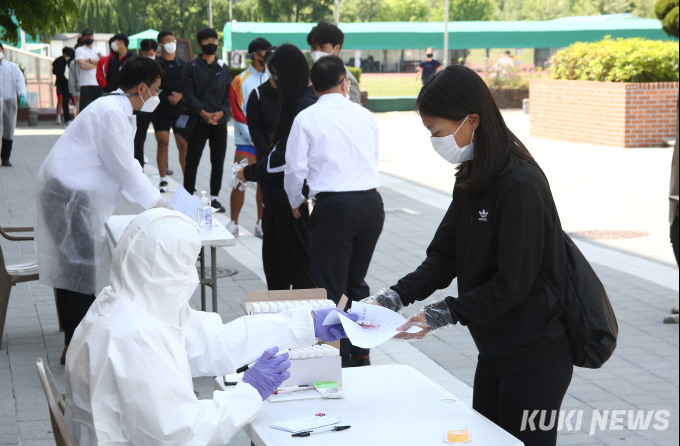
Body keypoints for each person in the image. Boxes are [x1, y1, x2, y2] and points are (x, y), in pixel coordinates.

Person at [362, 65, 573, 446]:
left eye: (437, 132)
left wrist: (444, 313)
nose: (435, 141)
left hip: (534, 357)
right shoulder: (474, 176)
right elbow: (445, 256)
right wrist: (392, 297)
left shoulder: (519, 184)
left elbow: (513, 284)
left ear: (471, 120)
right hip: (494, 352)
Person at [64, 208, 357, 445]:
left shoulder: (126, 303)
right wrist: (249, 393)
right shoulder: (134, 336)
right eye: (187, 265)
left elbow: (219, 341)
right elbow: (182, 435)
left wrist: (307, 324)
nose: (193, 275)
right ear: (164, 270)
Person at [35, 57, 170, 365]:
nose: (158, 96)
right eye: (157, 90)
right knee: (79, 272)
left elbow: (128, 163)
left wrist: (157, 197)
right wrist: (161, 204)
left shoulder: (116, 109)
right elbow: (124, 168)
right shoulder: (111, 113)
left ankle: (75, 343)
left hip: (68, 194)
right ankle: (83, 350)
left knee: (74, 272)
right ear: (142, 88)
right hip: (66, 198)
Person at [284, 55, 383, 368]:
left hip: (335, 207)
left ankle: (335, 358)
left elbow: (294, 169)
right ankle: (361, 353)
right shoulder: (365, 115)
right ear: (345, 83)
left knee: (329, 289)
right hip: (371, 204)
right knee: (357, 283)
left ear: (314, 88)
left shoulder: (306, 118)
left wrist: (294, 201)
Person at [236, 44, 317, 291]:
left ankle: (308, 326)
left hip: (291, 204)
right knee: (275, 269)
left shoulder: (303, 105)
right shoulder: (295, 101)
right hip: (276, 201)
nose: (273, 81)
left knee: (300, 274)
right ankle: (281, 324)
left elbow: (282, 159)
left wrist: (247, 172)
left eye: (275, 75)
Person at [182, 28, 232, 211]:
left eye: (214, 39)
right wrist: (202, 112)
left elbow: (228, 93)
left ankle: (214, 198)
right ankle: (187, 196)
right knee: (192, 160)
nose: (211, 43)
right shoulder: (192, 66)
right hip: (198, 121)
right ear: (199, 45)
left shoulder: (223, 68)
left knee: (218, 161)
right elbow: (187, 92)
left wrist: (222, 112)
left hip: (219, 122)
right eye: (206, 40)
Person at [227, 37, 271, 237]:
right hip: (246, 142)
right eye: (264, 52)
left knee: (265, 183)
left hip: (267, 143)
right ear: (254, 55)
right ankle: (234, 223)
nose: (267, 56)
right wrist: (256, 139)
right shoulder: (240, 80)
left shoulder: (273, 78)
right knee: (239, 181)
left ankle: (261, 223)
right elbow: (237, 114)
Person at [152, 30, 188, 191]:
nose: (171, 43)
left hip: (181, 110)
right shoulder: (156, 65)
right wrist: (167, 97)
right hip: (161, 110)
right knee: (162, 144)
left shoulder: (183, 64)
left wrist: (180, 96)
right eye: (167, 40)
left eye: (173, 40)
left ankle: (188, 181)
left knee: (184, 146)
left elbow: (189, 87)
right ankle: (163, 179)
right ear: (160, 44)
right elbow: (152, 88)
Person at [307, 19, 361, 104]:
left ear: (337, 48)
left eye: (322, 47)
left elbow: (354, 110)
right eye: (313, 47)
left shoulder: (347, 79)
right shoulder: (312, 75)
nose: (317, 52)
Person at [132, 39, 162, 168]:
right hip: (142, 106)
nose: (150, 57)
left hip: (159, 107)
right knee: (139, 139)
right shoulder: (136, 65)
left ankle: (164, 168)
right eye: (147, 54)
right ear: (142, 52)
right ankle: (139, 167)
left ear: (156, 51)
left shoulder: (161, 64)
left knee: (162, 140)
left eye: (152, 54)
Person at [0, 43, 27, 167]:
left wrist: (21, 95)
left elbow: (20, 81)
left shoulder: (12, 67)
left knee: (9, 128)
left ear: (3, 51)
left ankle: (5, 157)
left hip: (9, 100)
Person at [75, 29, 104, 111]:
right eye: (86, 36)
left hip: (99, 85)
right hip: (86, 84)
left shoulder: (99, 50)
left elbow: (104, 63)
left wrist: (90, 60)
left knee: (99, 110)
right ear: (83, 38)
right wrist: (98, 63)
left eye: (90, 36)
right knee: (86, 110)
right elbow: (82, 65)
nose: (89, 38)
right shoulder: (79, 50)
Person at [52, 47, 74, 125]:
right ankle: (59, 117)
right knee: (61, 100)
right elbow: (55, 72)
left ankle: (66, 116)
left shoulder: (71, 61)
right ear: (64, 54)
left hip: (69, 83)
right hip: (61, 83)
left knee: (68, 101)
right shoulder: (58, 62)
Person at [68, 38, 84, 117]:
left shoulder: (92, 60)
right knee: (78, 110)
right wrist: (73, 92)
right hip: (79, 90)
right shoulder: (74, 63)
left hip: (90, 89)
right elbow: (71, 79)